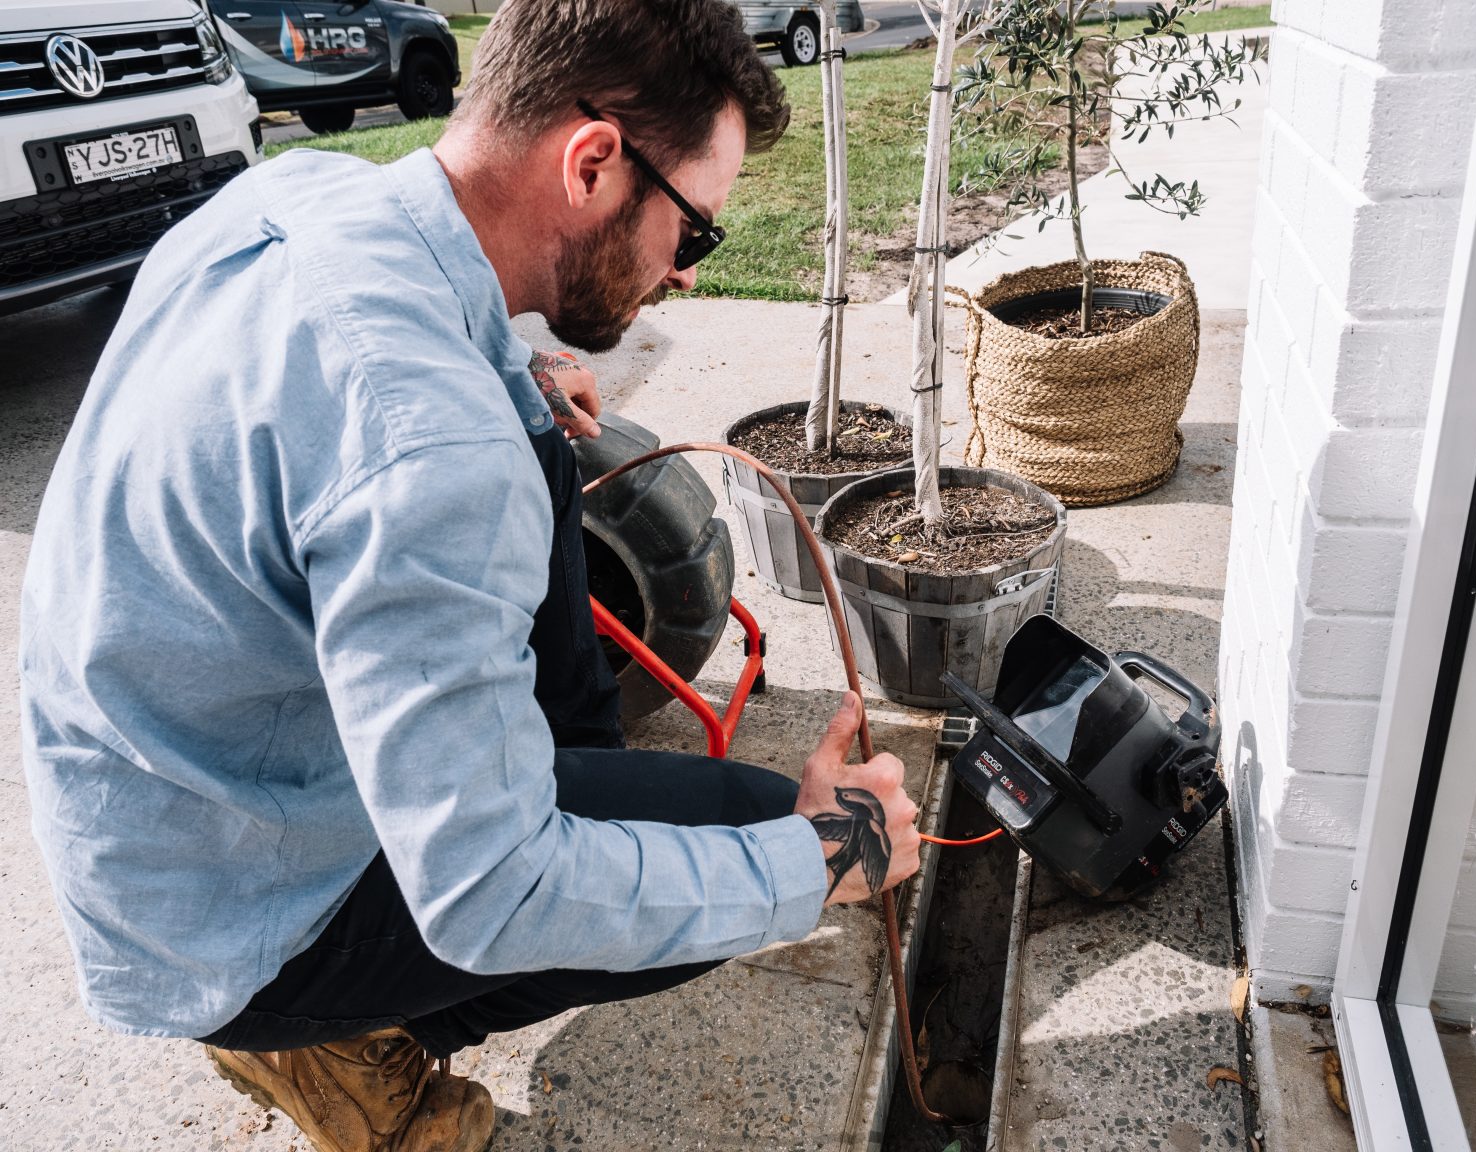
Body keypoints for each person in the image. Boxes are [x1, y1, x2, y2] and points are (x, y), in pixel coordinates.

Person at [17, 2, 922, 1150]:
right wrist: (816, 861)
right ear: (593, 162)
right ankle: (322, 1044)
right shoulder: (429, 451)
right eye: (693, 234)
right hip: (230, 907)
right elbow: (493, 895)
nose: (687, 277)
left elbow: (383, 402)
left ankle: (543, 794)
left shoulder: (311, 193)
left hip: (161, 795)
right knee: (753, 841)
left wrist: (517, 364)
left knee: (532, 427)